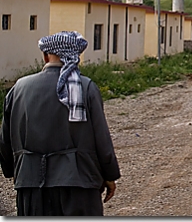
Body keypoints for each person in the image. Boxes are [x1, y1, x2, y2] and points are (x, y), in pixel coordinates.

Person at [0, 31, 120, 216]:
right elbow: (101, 139)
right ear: (75, 56)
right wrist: (110, 175)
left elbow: (5, 140)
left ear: (45, 55)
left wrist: (14, 171)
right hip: (79, 184)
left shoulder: (18, 88)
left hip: (30, 184)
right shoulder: (85, 87)